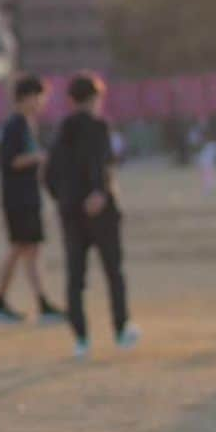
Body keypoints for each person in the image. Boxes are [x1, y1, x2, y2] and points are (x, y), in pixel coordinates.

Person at [45, 72, 139, 360]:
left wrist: (63, 200)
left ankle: (81, 338)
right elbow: (102, 162)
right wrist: (98, 192)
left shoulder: (61, 132)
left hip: (71, 212)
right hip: (101, 210)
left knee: (76, 276)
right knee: (113, 270)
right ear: (95, 98)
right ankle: (121, 329)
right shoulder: (99, 126)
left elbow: (49, 174)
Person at [0, 74, 65, 325]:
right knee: (21, 249)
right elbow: (12, 161)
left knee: (28, 250)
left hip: (27, 196)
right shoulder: (15, 125)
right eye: (39, 97)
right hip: (18, 198)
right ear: (28, 97)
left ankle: (39, 303)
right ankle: (1, 304)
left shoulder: (27, 124)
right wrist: (40, 157)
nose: (41, 103)